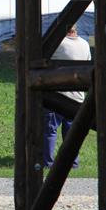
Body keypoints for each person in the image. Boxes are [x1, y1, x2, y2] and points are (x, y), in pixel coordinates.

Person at [44, 24, 91, 169]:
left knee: (50, 130)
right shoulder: (85, 44)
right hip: (77, 96)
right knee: (73, 132)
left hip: (57, 95)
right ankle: (72, 163)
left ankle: (48, 162)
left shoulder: (57, 43)